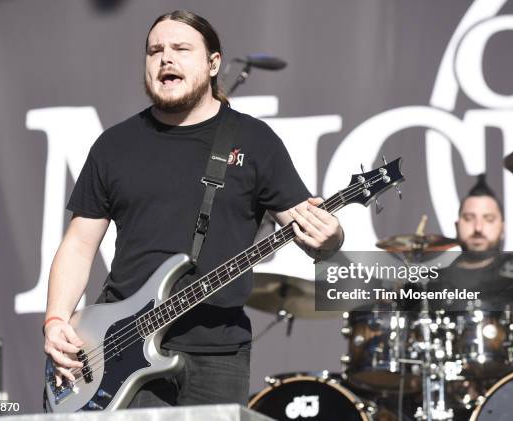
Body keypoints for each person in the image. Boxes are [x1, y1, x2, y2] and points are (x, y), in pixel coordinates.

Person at [42, 10, 344, 408]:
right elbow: (79, 244)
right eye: (155, 51)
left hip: (218, 353)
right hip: (119, 344)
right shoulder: (115, 146)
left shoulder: (254, 141)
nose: (165, 58)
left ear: (213, 63)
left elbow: (309, 232)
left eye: (181, 48)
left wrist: (331, 236)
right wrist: (56, 319)